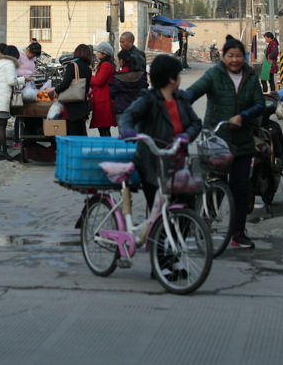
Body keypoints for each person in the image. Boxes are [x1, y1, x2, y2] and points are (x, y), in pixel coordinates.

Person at [184, 35, 266, 249]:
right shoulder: (214, 74)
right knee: (215, 185)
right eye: (230, 56)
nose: (235, 60)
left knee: (240, 189)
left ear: (244, 57)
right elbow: (194, 91)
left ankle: (238, 232)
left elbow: (259, 104)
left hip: (243, 142)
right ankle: (204, 223)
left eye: (239, 56)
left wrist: (243, 117)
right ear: (223, 56)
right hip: (217, 142)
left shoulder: (250, 76)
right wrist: (178, 103)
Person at [118, 54, 201, 213]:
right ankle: (156, 237)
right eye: (177, 76)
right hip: (152, 163)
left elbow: (195, 123)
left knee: (185, 210)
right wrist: (128, 130)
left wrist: (187, 135)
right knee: (160, 215)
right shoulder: (149, 99)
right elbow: (129, 115)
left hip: (178, 163)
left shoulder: (181, 98)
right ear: (171, 79)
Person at [0, 45, 23, 161]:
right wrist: (24, 79)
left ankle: (1, 151)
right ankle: (4, 152)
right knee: (2, 126)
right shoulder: (10, 64)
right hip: (1, 98)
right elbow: (11, 81)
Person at [54, 44, 93, 137]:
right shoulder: (88, 69)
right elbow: (86, 89)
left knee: (72, 132)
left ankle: (72, 151)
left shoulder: (72, 66)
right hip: (82, 105)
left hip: (72, 105)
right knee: (80, 131)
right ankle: (80, 150)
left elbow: (65, 83)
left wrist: (57, 90)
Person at [110, 48, 149, 119]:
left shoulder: (118, 76)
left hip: (122, 109)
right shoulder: (141, 74)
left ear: (121, 61)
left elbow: (112, 93)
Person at [89, 41, 117, 137]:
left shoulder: (106, 65)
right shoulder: (105, 64)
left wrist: (89, 75)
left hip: (103, 100)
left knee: (104, 128)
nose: (96, 53)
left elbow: (98, 81)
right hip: (102, 98)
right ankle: (106, 148)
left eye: (98, 52)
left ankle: (107, 149)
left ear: (104, 53)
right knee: (103, 128)